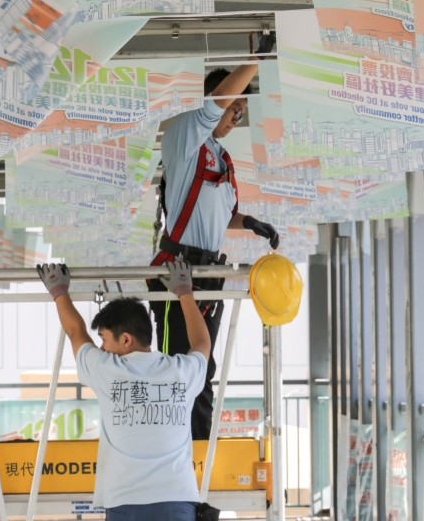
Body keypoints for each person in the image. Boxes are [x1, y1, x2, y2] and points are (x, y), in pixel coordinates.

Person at [148, 33, 281, 443]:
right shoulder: (186, 136)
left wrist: (251, 223)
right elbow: (213, 107)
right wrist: (257, 58)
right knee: (179, 369)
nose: (236, 119)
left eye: (241, 114)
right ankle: (175, 448)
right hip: (178, 272)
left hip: (207, 273)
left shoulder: (222, 160)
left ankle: (199, 455)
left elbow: (219, 215)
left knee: (202, 370)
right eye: (234, 109)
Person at [37, 260, 210, 521]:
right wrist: (184, 291)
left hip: (125, 502)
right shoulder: (181, 372)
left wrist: (59, 292)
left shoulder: (107, 370)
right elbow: (202, 343)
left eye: (104, 339)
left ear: (126, 339)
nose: (102, 347)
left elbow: (75, 332)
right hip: (177, 500)